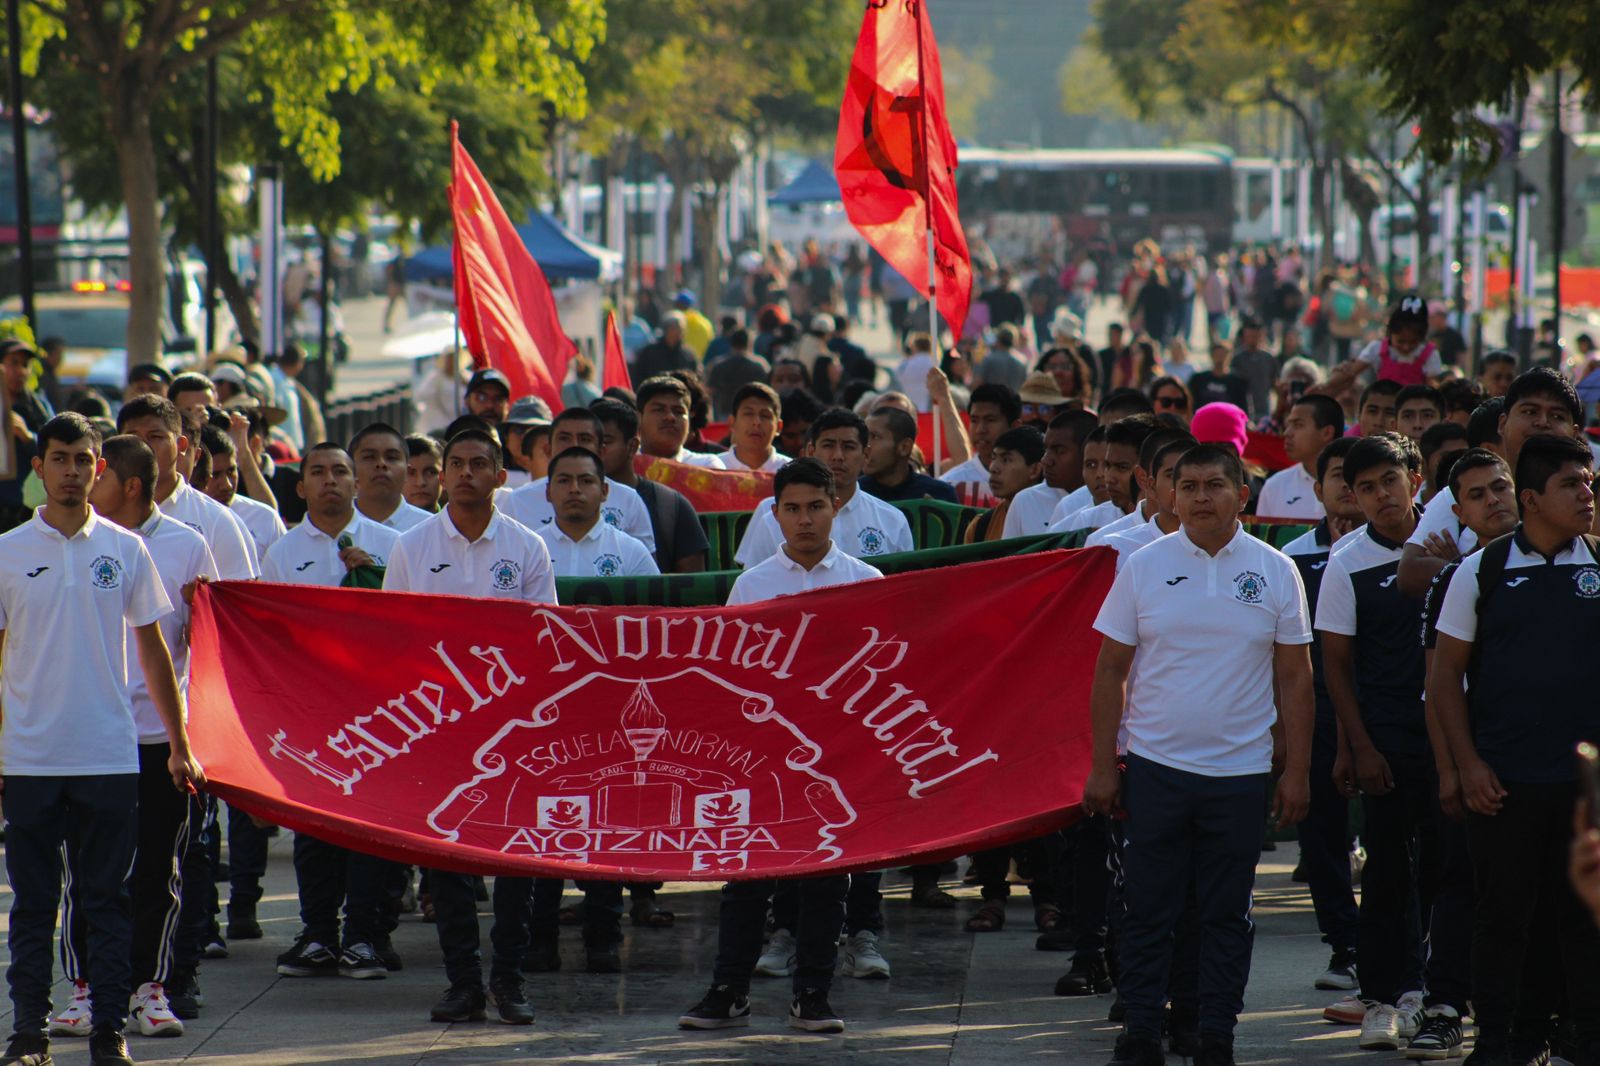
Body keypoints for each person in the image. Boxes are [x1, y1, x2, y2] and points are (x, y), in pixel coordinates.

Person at [1082, 442, 1312, 1066]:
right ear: (1168, 495)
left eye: (1215, 485)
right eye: (1188, 486)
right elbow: (1110, 670)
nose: (1201, 497)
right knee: (1148, 909)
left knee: (1225, 915)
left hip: (1240, 775)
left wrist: (1295, 772)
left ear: (1242, 494)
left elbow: (1295, 677)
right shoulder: (1144, 565)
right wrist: (1105, 764)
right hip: (1155, 769)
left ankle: (1215, 1034)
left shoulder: (1274, 569)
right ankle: (1141, 1034)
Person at [0, 413, 204, 1066]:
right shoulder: (8, 552)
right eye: (58, 459)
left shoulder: (126, 550)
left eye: (83, 461)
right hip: (30, 757)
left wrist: (179, 744)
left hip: (110, 756)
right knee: (33, 907)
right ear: (39, 469)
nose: (71, 472)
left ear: (101, 469)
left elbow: (155, 656)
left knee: (107, 902)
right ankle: (28, 1033)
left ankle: (108, 1033)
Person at [679, 459, 881, 1036]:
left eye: (816, 506)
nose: (805, 519)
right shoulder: (754, 584)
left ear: (835, 505)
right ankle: (728, 991)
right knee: (746, 878)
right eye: (791, 508)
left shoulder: (867, 583)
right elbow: (727, 675)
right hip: (761, 757)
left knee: (827, 878)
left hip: (836, 757)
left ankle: (812, 995)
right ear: (775, 513)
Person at [1430, 434, 1600, 1064]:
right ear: (1531, 499)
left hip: (1586, 793)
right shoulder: (1483, 569)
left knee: (1585, 923)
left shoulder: (1599, 565)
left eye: (1589, 482)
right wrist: (1466, 765)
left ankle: (1582, 1038)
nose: (1587, 495)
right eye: (1571, 484)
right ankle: (1499, 1041)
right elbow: (1444, 676)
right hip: (1504, 784)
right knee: (1503, 921)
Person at [46, 435, 217, 1044]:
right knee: (89, 872)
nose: (87, 483)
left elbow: (213, 647)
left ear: (132, 485)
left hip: (157, 738)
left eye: (100, 474)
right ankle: (87, 990)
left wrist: (191, 740)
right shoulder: (72, 541)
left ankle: (149, 989)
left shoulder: (189, 545)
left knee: (156, 871)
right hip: (89, 737)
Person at [383, 430, 555, 1025]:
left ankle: (508, 979)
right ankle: (462, 982)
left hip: (512, 731)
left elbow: (543, 641)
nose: (464, 474)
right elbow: (395, 641)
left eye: (479, 464)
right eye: (455, 464)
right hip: (438, 727)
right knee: (447, 859)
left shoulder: (527, 546)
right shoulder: (412, 546)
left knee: (513, 860)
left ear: (500, 475)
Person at [261, 444, 404, 985]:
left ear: (357, 482)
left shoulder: (393, 545)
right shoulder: (282, 551)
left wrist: (377, 577)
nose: (329, 481)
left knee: (369, 827)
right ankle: (318, 932)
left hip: (379, 712)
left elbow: (408, 624)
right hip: (312, 711)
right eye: (316, 472)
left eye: (340, 472)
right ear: (300, 488)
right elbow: (271, 632)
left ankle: (365, 935)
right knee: (314, 827)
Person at [1314, 433, 1433, 1050]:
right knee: (1388, 868)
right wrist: (1355, 746)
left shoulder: (1456, 541)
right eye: (1366, 487)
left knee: (1449, 868)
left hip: (1456, 736)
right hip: (1386, 740)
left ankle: (1436, 996)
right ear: (1351, 497)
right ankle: (1383, 998)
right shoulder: (1348, 561)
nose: (1381, 495)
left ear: (1415, 477)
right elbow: (1336, 664)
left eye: (1391, 479)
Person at [1279, 437, 1365, 1010]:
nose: (1346, 488)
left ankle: (1397, 954)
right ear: (1319, 487)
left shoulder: (1399, 554)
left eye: (1358, 479)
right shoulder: (1292, 558)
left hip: (1383, 717)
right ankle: (1346, 948)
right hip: (1316, 717)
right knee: (1322, 838)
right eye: (1336, 476)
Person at [1399, 368, 1584, 597]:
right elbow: (1409, 574)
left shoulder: (1589, 496)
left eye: (1557, 416)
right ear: (1503, 424)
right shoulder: (1460, 493)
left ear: (1575, 433)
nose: (1543, 423)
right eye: (1530, 411)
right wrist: (1466, 568)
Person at [736, 408, 911, 565]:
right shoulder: (770, 519)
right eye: (828, 445)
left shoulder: (892, 521)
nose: (838, 456)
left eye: (848, 447)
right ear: (811, 452)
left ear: (866, 454)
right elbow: (755, 586)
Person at [503, 407, 654, 549]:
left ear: (602, 451)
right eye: (564, 438)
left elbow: (645, 570)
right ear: (548, 450)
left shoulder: (628, 499)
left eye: (584, 438)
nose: (574, 446)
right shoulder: (518, 501)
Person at [591, 399, 709, 572]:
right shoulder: (565, 500)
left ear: (632, 447)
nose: (595, 449)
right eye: (588, 440)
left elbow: (692, 587)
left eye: (606, 442)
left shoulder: (671, 505)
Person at [1004, 409, 1097, 537]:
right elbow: (1011, 556)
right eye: (1046, 449)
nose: (1045, 460)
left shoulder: (1105, 501)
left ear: (1087, 452)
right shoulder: (1025, 501)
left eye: (1059, 451)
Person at [198, 425, 286, 556]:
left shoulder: (266, 518)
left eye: (231, 471)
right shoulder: (180, 516)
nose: (226, 485)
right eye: (215, 475)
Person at [1257, 395, 1344, 520]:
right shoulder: (1275, 487)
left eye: (1298, 425)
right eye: (1288, 425)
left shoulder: (1355, 484)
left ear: (1327, 433)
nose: (1287, 433)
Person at [0, 343, 54, 529]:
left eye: (25, 365)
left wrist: (27, 436)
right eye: (13, 363)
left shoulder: (37, 407)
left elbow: (56, 446)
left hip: (26, 509)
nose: (20, 371)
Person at [939, 384, 1019, 507]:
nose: (980, 429)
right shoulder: (949, 484)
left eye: (990, 420)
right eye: (974, 420)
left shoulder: (1036, 479)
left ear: (1015, 426)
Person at [858, 407, 958, 503]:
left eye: (874, 437)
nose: (865, 446)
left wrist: (933, 515)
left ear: (904, 447)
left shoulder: (940, 494)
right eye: (864, 436)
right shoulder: (853, 494)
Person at [350, 423, 432, 532]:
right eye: (369, 457)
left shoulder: (430, 527)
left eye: (391, 457)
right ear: (350, 469)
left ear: (407, 471)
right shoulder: (331, 524)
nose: (381, 464)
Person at [635, 375, 725, 468]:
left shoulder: (707, 466)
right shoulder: (624, 464)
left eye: (678, 411)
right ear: (639, 417)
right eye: (659, 410)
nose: (670, 417)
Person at [718, 383, 790, 473]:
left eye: (765, 415)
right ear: (732, 422)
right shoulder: (714, 468)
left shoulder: (791, 472)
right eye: (749, 414)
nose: (757, 422)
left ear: (779, 427)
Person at [706, 328, 770, 418]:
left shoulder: (717, 365)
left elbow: (709, 391)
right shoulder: (760, 365)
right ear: (750, 343)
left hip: (725, 414)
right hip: (752, 415)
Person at [1230, 316, 1278, 419]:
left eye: (1256, 335)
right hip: (1241, 409)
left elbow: (1274, 382)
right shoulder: (1237, 358)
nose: (1253, 339)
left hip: (1263, 408)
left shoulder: (1269, 358)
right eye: (1250, 335)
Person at [634, 312, 698, 380]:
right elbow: (639, 376)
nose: (678, 332)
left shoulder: (688, 355)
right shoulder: (650, 352)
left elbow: (695, 377)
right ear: (666, 329)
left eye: (680, 329)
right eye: (674, 328)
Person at [1188, 342, 1251, 411]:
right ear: (1212, 356)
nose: (1220, 359)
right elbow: (1191, 403)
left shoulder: (1238, 382)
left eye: (1223, 355)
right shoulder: (1198, 379)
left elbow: (1243, 408)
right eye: (1217, 355)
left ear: (1229, 357)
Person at [1418, 421, 1468, 506]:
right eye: (1446, 458)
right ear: (1423, 465)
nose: (1457, 465)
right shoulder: (1408, 510)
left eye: (1464, 457)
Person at [404, 434, 444, 513]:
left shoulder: (458, 523)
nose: (420, 482)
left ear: (444, 477)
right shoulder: (380, 524)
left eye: (431, 472)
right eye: (411, 473)